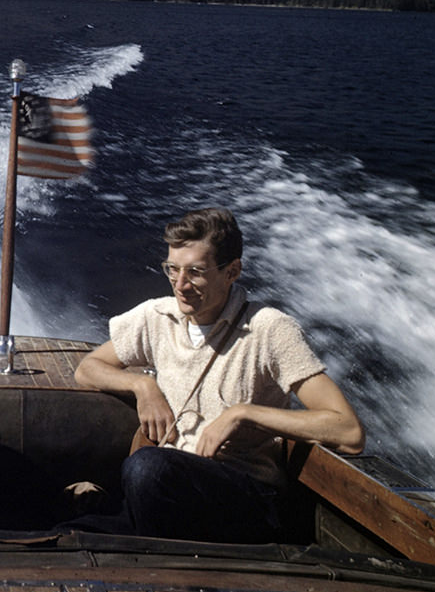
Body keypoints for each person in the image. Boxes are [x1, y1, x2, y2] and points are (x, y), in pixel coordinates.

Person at [73, 207, 364, 543]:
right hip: (168, 492)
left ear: (232, 271)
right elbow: (88, 369)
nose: (180, 285)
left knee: (145, 467)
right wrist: (142, 385)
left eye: (195, 272)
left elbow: (348, 431)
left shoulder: (269, 329)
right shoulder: (157, 317)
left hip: (244, 499)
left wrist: (243, 413)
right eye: (172, 269)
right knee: (69, 534)